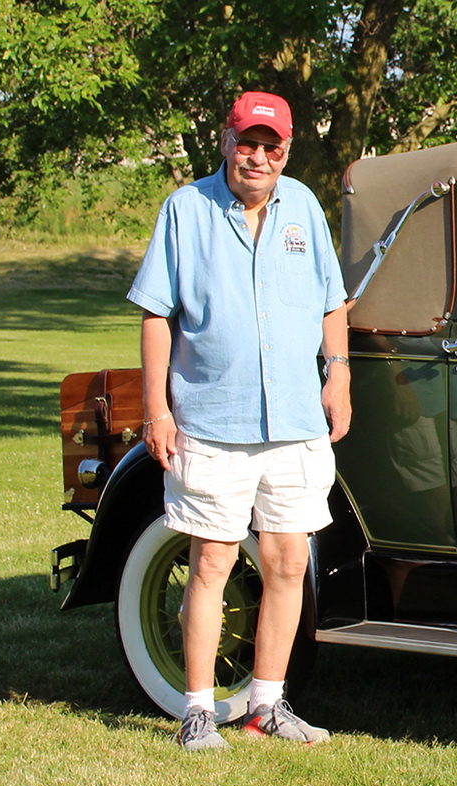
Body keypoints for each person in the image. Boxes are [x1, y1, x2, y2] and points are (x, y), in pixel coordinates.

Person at [127, 91, 351, 751]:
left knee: (287, 561)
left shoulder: (304, 206)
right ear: (226, 141)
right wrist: (157, 409)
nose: (257, 156)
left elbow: (331, 301)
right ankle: (198, 712)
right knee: (211, 562)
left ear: (287, 149)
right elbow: (156, 315)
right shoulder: (184, 209)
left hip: (294, 421)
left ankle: (267, 704)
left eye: (270, 146)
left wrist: (338, 374)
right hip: (211, 420)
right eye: (246, 142)